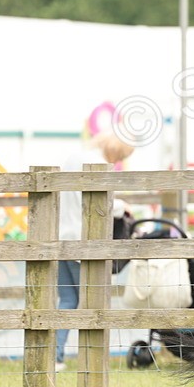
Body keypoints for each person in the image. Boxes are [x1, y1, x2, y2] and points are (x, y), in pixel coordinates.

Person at [56, 132, 134, 368]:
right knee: (93, 304)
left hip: (61, 238)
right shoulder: (97, 164)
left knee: (67, 301)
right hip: (84, 241)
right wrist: (123, 207)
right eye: (119, 157)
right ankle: (91, 360)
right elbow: (100, 204)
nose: (117, 161)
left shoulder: (72, 158)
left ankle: (55, 356)